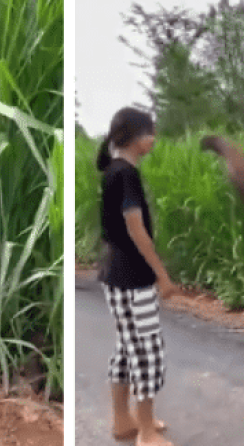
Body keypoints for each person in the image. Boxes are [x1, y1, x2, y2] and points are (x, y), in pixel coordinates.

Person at [97, 107, 179, 446]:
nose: (154, 140)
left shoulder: (114, 171)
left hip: (116, 274)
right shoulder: (126, 174)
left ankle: (122, 421)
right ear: (136, 137)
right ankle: (145, 432)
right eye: (151, 133)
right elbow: (136, 229)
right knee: (147, 352)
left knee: (127, 349)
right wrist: (162, 275)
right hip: (132, 278)